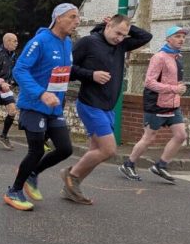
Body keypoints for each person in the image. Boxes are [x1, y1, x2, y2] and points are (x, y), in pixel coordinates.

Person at [64, 14, 152, 204]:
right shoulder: (88, 42)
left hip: (108, 107)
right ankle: (71, 176)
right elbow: (67, 69)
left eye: (124, 35)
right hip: (90, 104)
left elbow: (146, 37)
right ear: (108, 25)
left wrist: (128, 28)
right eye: (117, 33)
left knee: (95, 152)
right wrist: (91, 75)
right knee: (109, 150)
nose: (120, 38)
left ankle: (73, 188)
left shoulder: (121, 45)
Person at [3, 4, 81, 211]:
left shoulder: (67, 43)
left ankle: (33, 173)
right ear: (58, 18)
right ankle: (14, 191)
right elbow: (19, 70)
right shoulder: (40, 41)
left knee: (65, 148)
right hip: (34, 104)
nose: (77, 21)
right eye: (72, 17)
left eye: (78, 18)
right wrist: (41, 93)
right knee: (36, 149)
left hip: (54, 107)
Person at [119, 26, 189, 182]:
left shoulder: (178, 57)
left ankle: (161, 166)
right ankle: (128, 164)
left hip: (173, 104)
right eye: (177, 36)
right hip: (156, 104)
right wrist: (174, 88)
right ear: (168, 39)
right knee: (149, 138)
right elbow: (149, 83)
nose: (181, 39)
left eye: (183, 37)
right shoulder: (159, 57)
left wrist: (180, 88)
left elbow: (173, 81)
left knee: (181, 135)